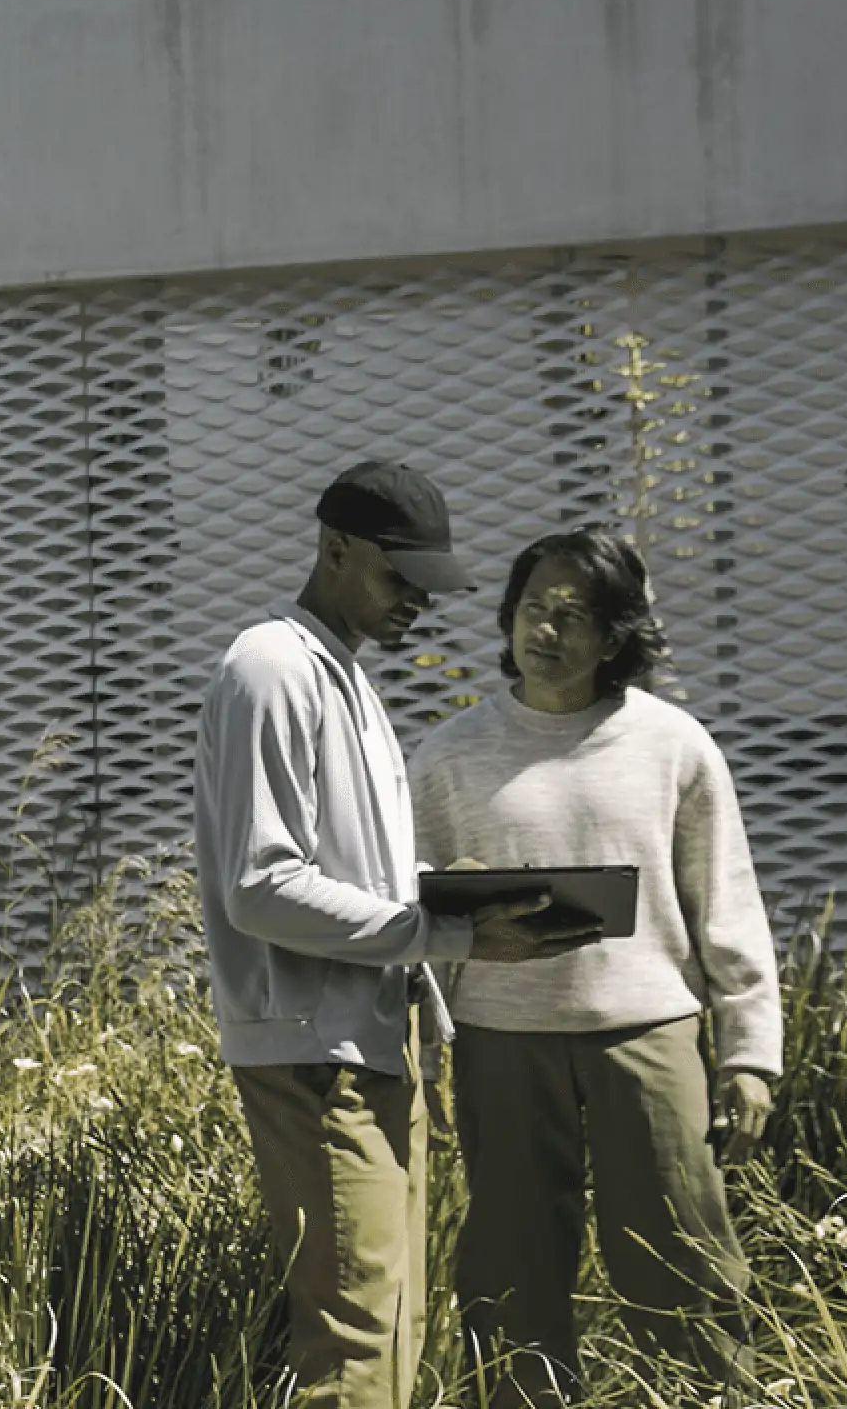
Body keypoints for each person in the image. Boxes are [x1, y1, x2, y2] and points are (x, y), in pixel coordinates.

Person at [196, 461, 602, 1409]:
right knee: (356, 1346)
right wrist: (439, 933)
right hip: (316, 1055)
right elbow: (260, 886)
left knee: (393, 1334)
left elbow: (341, 883)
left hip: (373, 1049)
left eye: (432, 584)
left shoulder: (342, 678)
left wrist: (452, 923)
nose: (420, 601)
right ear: (335, 549)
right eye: (400, 577)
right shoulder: (272, 669)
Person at [410, 524, 780, 1408]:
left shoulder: (673, 744)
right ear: (508, 619)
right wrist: (420, 1061)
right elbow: (412, 919)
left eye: (573, 616)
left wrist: (749, 1053)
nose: (546, 631)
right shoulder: (447, 756)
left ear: (615, 636)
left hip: (648, 1037)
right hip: (501, 1041)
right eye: (533, 609)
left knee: (681, 1258)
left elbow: (724, 899)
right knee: (511, 1267)